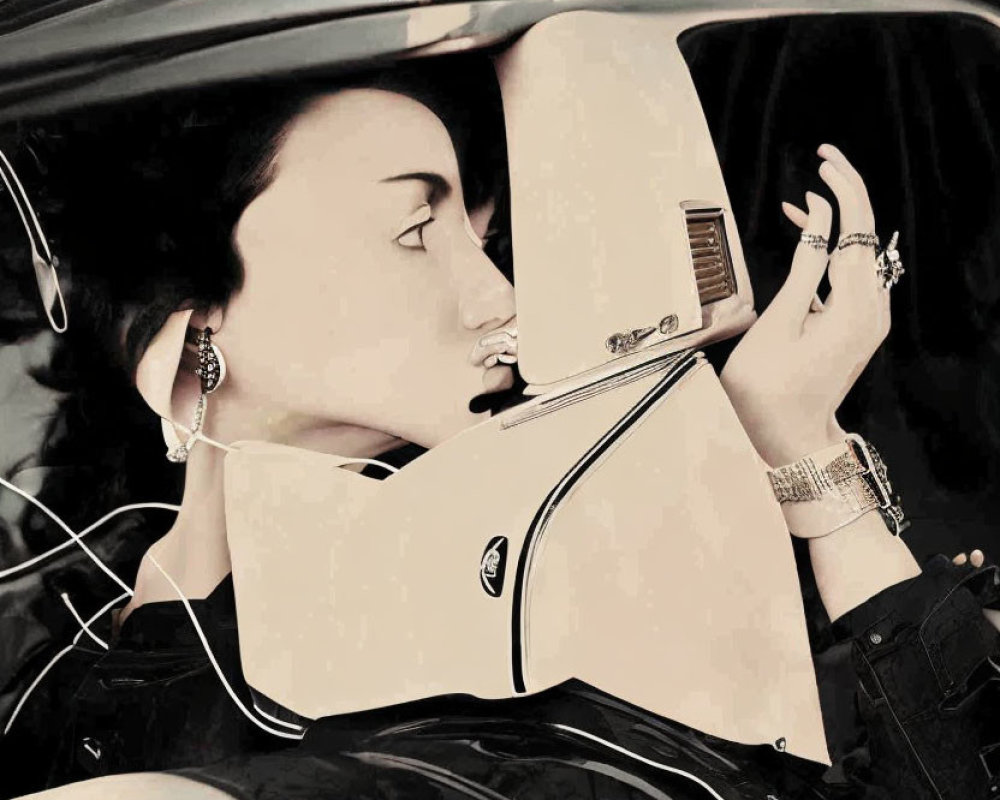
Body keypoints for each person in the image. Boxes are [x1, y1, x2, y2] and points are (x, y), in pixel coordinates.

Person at [4, 63, 1000, 800]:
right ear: (190, 333)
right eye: (412, 233)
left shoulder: (533, 550)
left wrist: (800, 446)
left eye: (479, 242)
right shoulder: (75, 642)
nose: (499, 299)